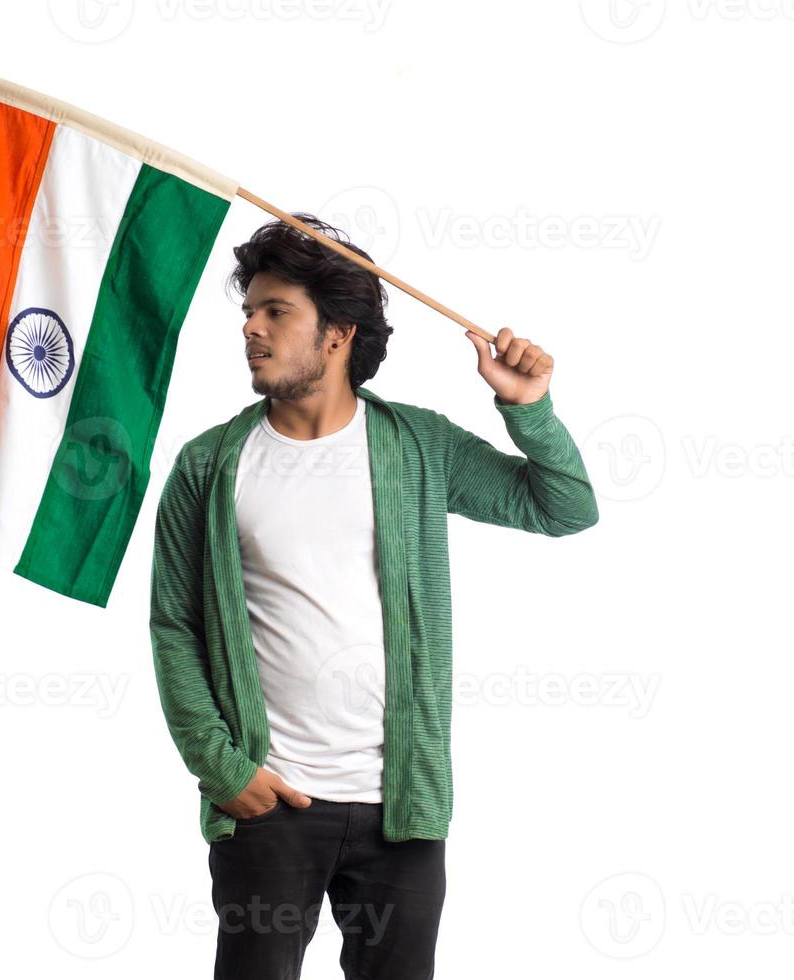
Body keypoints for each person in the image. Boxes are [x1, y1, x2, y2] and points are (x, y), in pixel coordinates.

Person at [149, 213, 599, 979]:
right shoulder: (210, 463)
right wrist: (223, 772)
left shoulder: (415, 446)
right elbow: (174, 626)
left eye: (274, 311)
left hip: (402, 809)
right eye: (248, 312)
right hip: (268, 802)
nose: (250, 330)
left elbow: (564, 507)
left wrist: (529, 407)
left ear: (337, 334)